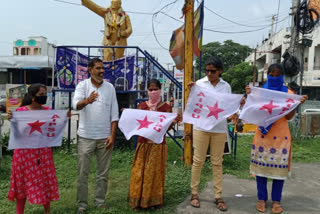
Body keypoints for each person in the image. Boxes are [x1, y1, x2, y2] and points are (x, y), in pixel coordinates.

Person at [245, 63, 308, 214]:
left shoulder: (288, 93)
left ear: (282, 76)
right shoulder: (259, 92)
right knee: (261, 171)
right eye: (271, 75)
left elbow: (289, 117)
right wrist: (250, 95)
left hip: (281, 137)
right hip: (263, 135)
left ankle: (276, 201)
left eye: (277, 75)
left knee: (279, 172)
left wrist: (296, 104)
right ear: (267, 75)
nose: (274, 77)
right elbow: (253, 112)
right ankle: (261, 199)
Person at [7, 84, 71, 214]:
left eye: (45, 94)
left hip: (43, 154)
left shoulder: (48, 111)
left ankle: (47, 211)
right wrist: (12, 120)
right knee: (22, 184)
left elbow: (53, 129)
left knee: (44, 181)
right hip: (24, 154)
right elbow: (17, 134)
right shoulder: (21, 112)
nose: (44, 97)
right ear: (32, 96)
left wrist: (64, 117)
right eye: (41, 94)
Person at [188, 56, 239, 211]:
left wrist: (234, 112)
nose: (209, 73)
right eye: (207, 70)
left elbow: (228, 106)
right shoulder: (199, 84)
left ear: (220, 71)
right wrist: (192, 90)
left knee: (217, 162)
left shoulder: (226, 86)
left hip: (219, 129)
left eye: (213, 71)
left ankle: (218, 196)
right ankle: (194, 193)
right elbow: (193, 104)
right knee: (198, 161)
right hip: (201, 128)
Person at [73, 58, 119, 213]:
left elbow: (114, 114)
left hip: (105, 137)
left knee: (103, 173)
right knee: (82, 173)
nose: (101, 71)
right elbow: (76, 105)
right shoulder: (82, 85)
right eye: (98, 68)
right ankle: (82, 204)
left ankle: (99, 201)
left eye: (102, 68)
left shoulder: (110, 88)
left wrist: (112, 135)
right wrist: (88, 100)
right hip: (86, 137)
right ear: (90, 69)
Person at [128, 79, 178, 210]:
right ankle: (137, 200)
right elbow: (136, 124)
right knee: (139, 171)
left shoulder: (166, 108)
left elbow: (166, 128)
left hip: (158, 145)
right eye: (150, 90)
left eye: (155, 89)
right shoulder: (142, 106)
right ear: (147, 91)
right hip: (143, 143)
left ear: (160, 90)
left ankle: (154, 201)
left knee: (155, 173)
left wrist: (172, 122)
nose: (153, 92)